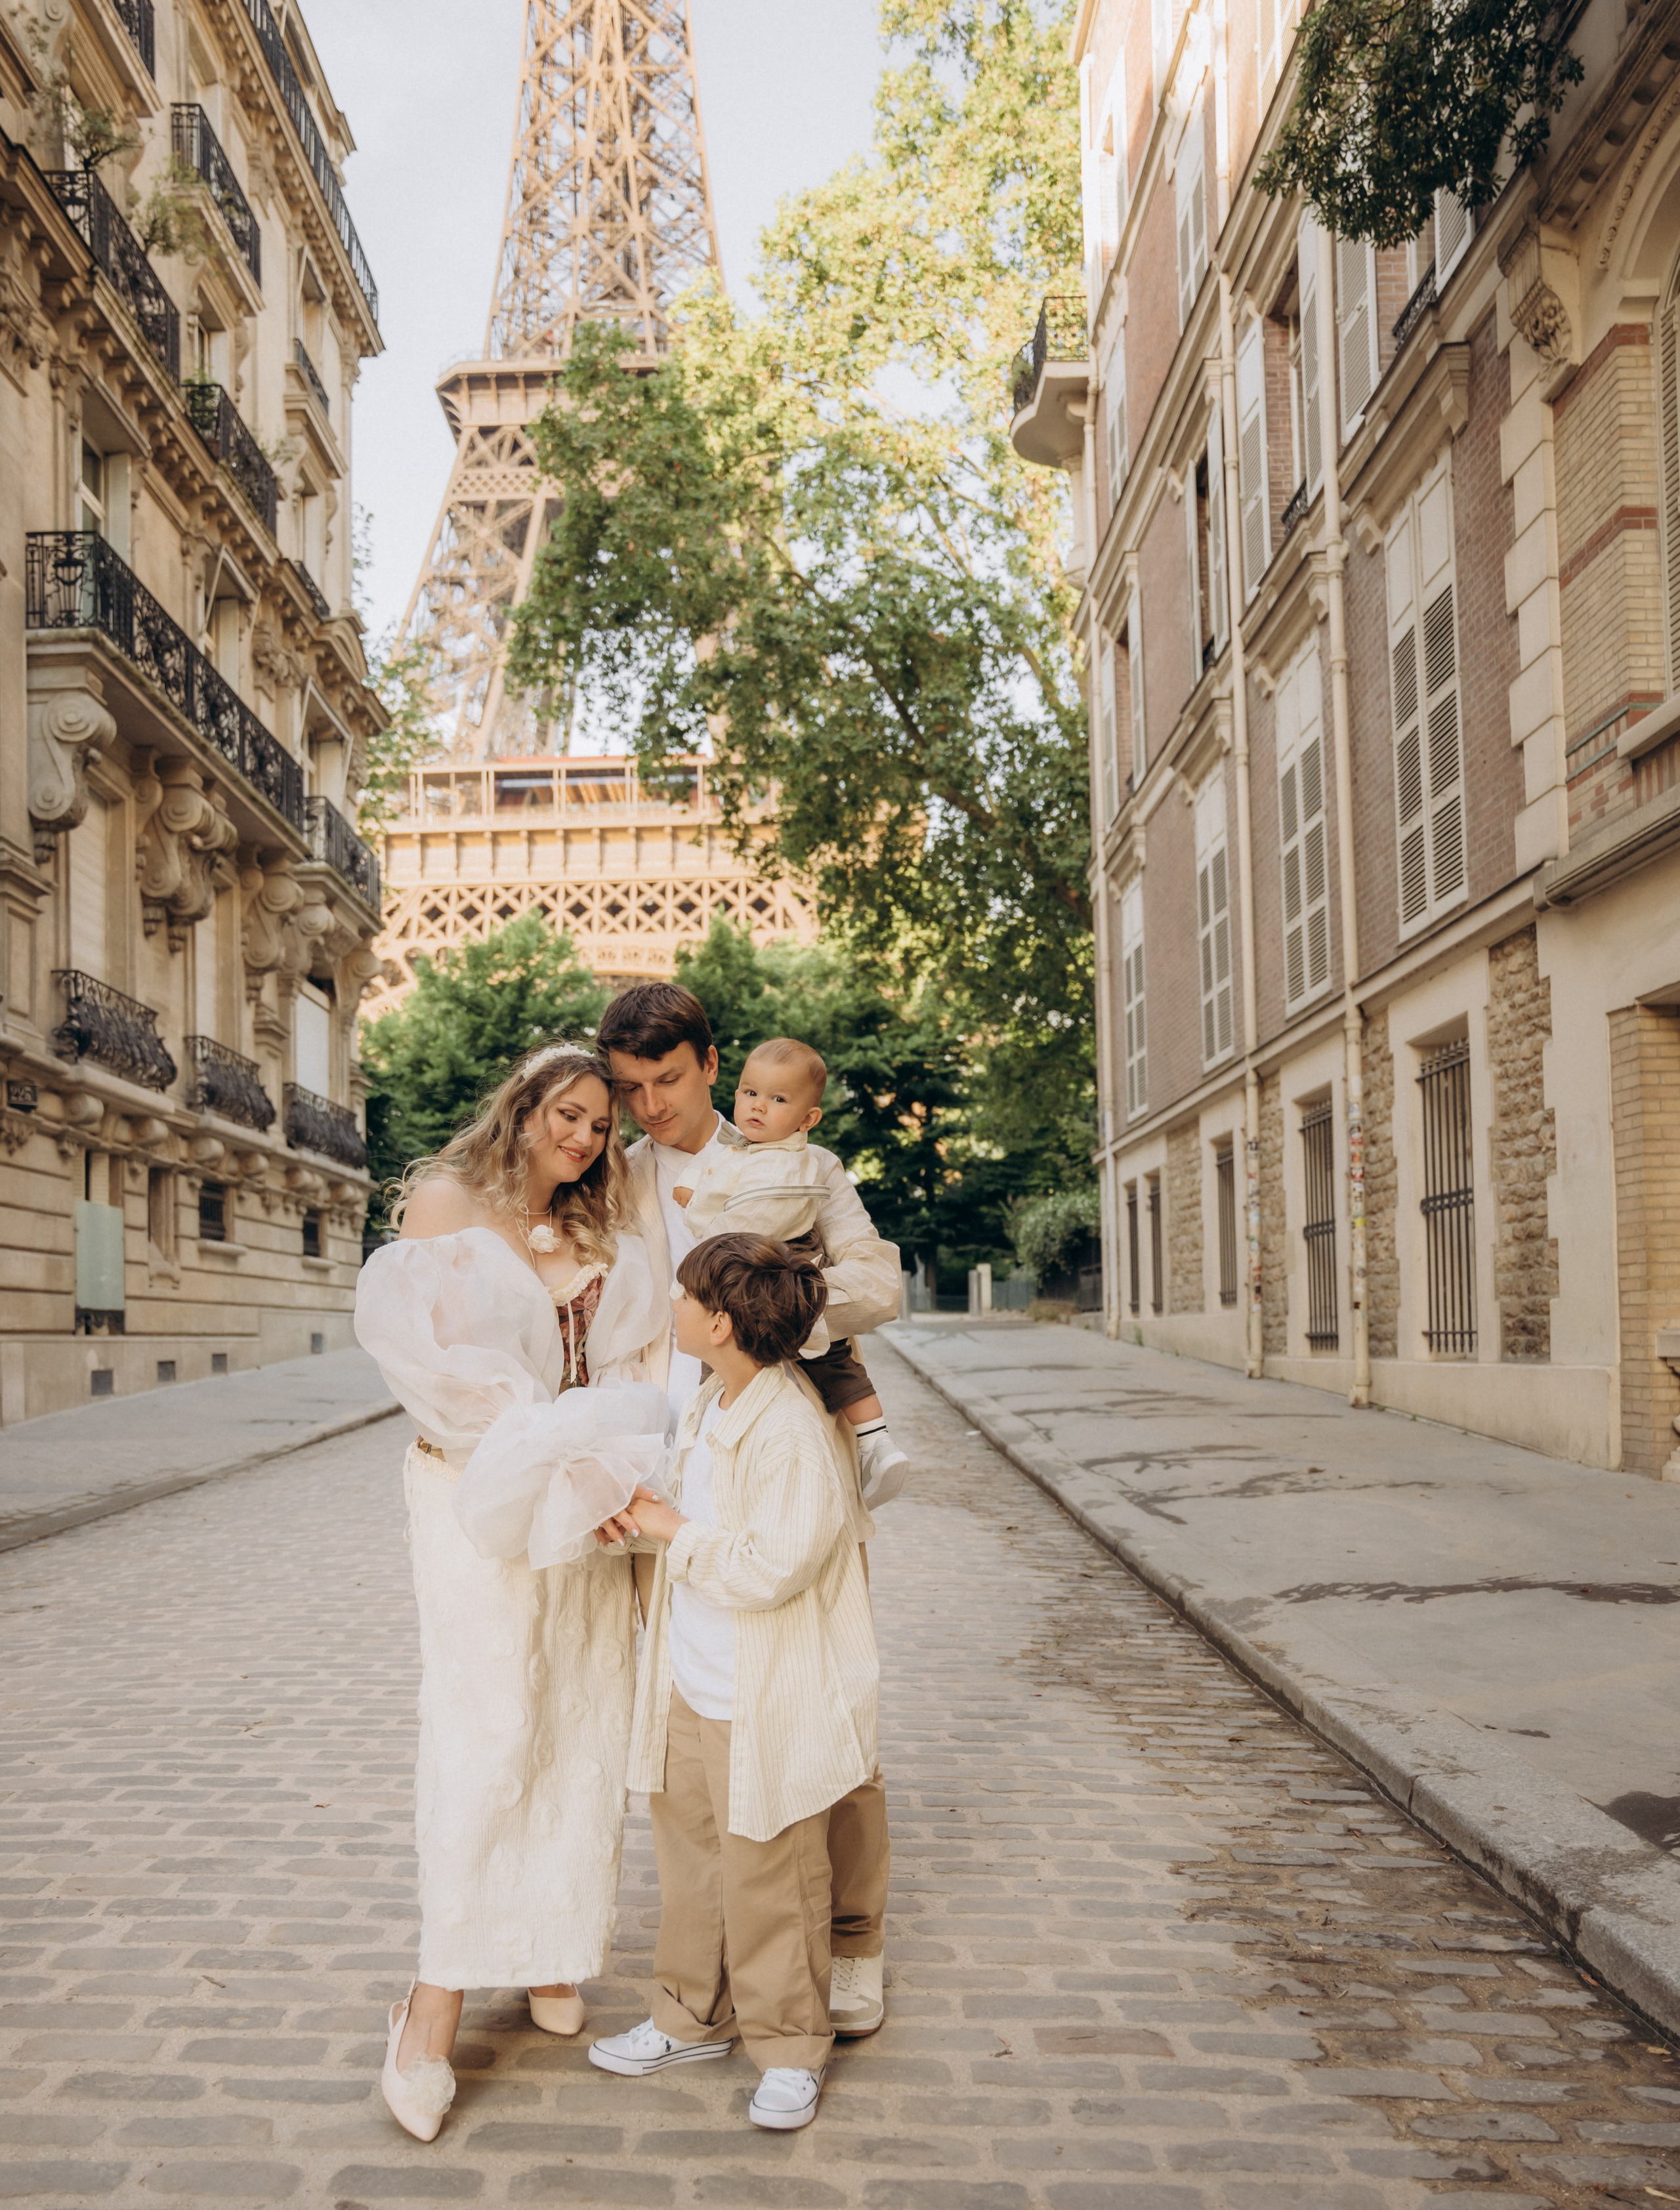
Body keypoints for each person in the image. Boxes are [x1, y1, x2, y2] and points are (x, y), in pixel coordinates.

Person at [354, 1044, 667, 2142]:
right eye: (567, 1114)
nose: (582, 1138)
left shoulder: (602, 1231)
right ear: (526, 1106)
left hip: (581, 1508)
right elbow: (428, 1368)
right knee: (490, 1728)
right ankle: (433, 2004)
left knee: (575, 1718)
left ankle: (549, 1947)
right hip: (469, 1501)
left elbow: (632, 1371)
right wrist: (553, 1452)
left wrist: (610, 1469)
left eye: (600, 1126)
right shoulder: (448, 1203)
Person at [598, 980, 899, 2040]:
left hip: (784, 1460)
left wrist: (774, 1300)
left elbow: (877, 1276)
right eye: (630, 1089)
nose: (649, 1107)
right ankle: (715, 1975)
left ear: (712, 1063)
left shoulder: (794, 1157)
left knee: (830, 1698)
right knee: (693, 1727)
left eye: (667, 1082)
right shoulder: (611, 1169)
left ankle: (853, 1936)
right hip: (662, 1479)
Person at [588, 1234, 879, 2133]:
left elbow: (771, 1567)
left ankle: (790, 2046)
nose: (669, 1306)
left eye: (682, 1295)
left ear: (719, 1320)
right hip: (693, 1674)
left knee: (773, 1875)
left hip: (764, 1691)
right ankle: (690, 2014)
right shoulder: (718, 1397)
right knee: (693, 1863)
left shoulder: (790, 1425)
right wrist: (639, 1523)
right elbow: (694, 1521)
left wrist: (672, 1530)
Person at [671, 1035, 909, 1498]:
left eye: (777, 1099)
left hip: (783, 1268)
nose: (758, 1107)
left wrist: (775, 1300)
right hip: (702, 1361)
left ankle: (875, 1441)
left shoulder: (812, 1164)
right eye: (751, 1093)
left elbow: (880, 1284)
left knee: (834, 1361)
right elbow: (704, 1187)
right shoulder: (721, 1155)